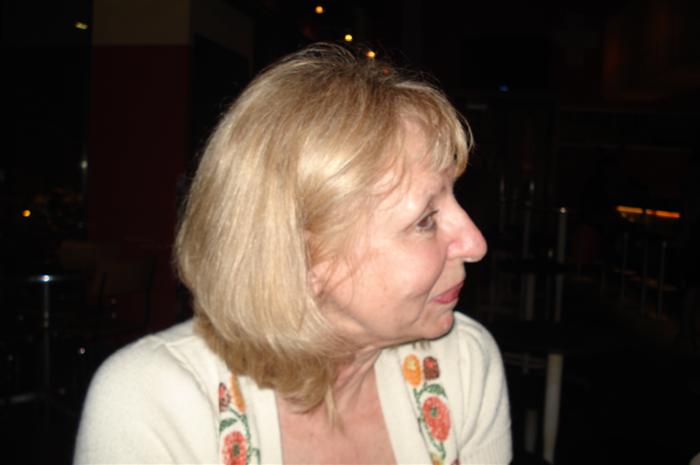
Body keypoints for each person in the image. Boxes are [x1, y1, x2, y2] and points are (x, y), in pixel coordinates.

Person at [74, 43, 512, 465]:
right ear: (302, 255)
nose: (475, 243)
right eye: (425, 220)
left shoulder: (463, 363)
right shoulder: (155, 405)